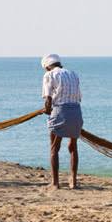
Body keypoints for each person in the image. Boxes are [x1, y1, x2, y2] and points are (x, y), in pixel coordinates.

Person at [41, 54, 83, 190]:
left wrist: (47, 110)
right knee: (73, 147)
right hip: (76, 112)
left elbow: (48, 99)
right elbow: (78, 97)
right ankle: (73, 182)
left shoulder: (49, 75)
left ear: (47, 66)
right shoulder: (73, 74)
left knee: (54, 148)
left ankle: (55, 183)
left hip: (60, 111)